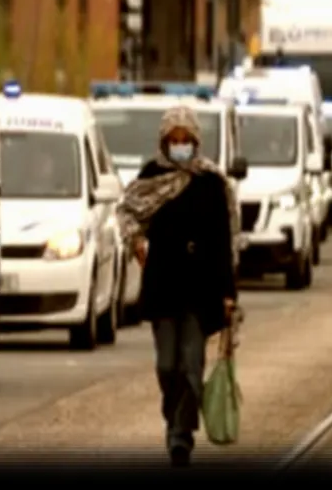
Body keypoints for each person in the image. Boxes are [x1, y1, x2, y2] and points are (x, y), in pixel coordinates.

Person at [114, 105, 240, 467]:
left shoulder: (211, 182)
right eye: (175, 140)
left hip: (201, 291)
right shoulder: (151, 176)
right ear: (165, 142)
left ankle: (179, 437)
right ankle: (176, 418)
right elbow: (128, 212)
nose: (181, 145)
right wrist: (137, 244)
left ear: (196, 141)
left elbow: (223, 241)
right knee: (167, 366)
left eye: (187, 140)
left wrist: (228, 293)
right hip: (164, 286)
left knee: (191, 366)